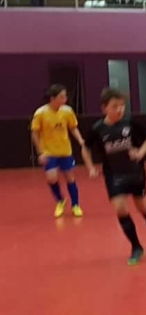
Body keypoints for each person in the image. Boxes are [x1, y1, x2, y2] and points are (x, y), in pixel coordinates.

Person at [81, 88, 146, 266]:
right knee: (120, 208)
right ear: (104, 108)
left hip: (135, 172)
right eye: (114, 106)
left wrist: (140, 153)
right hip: (114, 175)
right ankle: (136, 246)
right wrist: (90, 167)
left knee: (142, 207)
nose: (119, 110)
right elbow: (85, 148)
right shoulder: (97, 129)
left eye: (122, 106)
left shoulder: (130, 123)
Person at [30, 84, 87, 218]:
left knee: (70, 177)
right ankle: (60, 201)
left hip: (65, 151)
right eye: (62, 97)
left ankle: (75, 205)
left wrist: (80, 140)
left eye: (65, 96)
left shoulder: (67, 111)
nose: (65, 99)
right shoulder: (40, 113)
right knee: (51, 178)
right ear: (53, 98)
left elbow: (73, 127)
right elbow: (34, 134)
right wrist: (40, 153)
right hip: (49, 152)